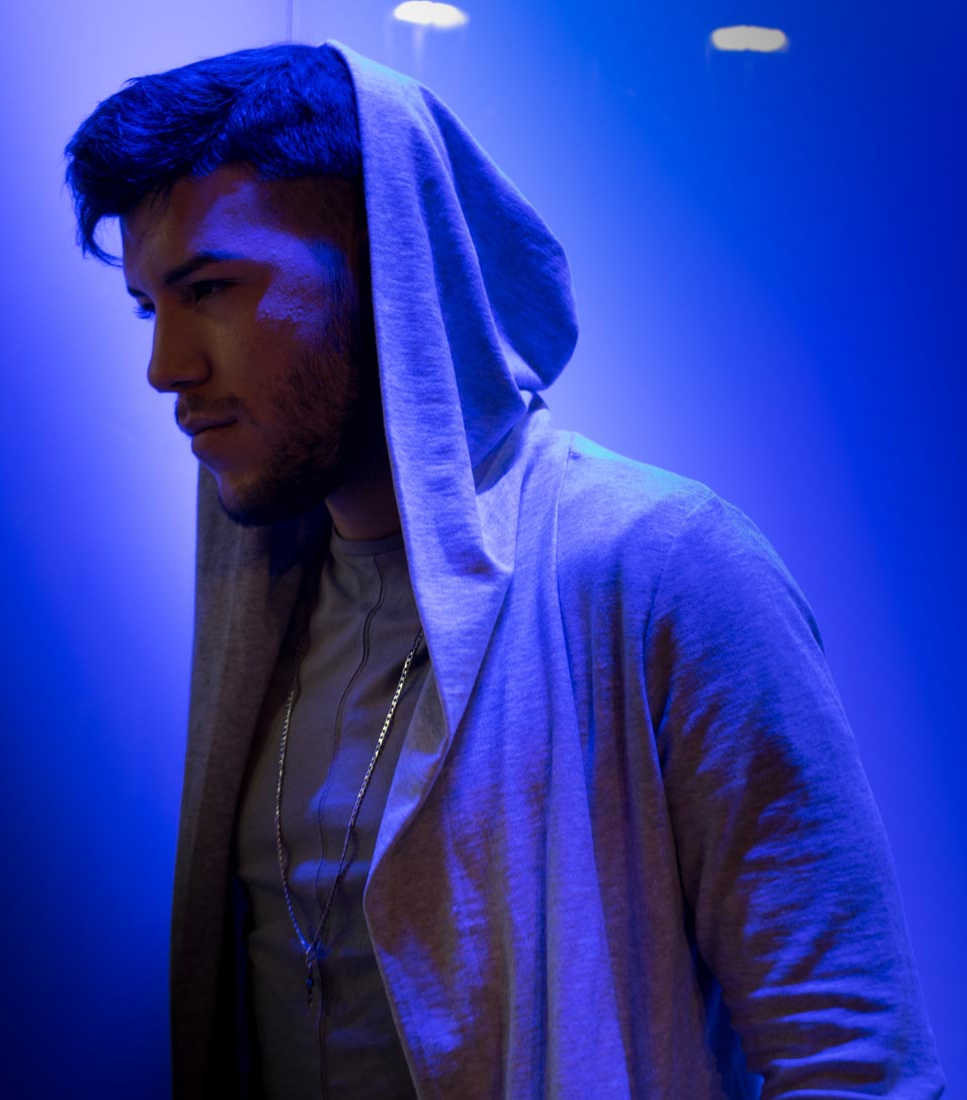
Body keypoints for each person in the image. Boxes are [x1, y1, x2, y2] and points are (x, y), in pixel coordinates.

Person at [64, 41, 944, 1099]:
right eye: (149, 306)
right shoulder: (260, 603)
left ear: (392, 265)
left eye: (209, 288)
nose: (166, 368)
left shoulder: (659, 567)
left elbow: (849, 1055)